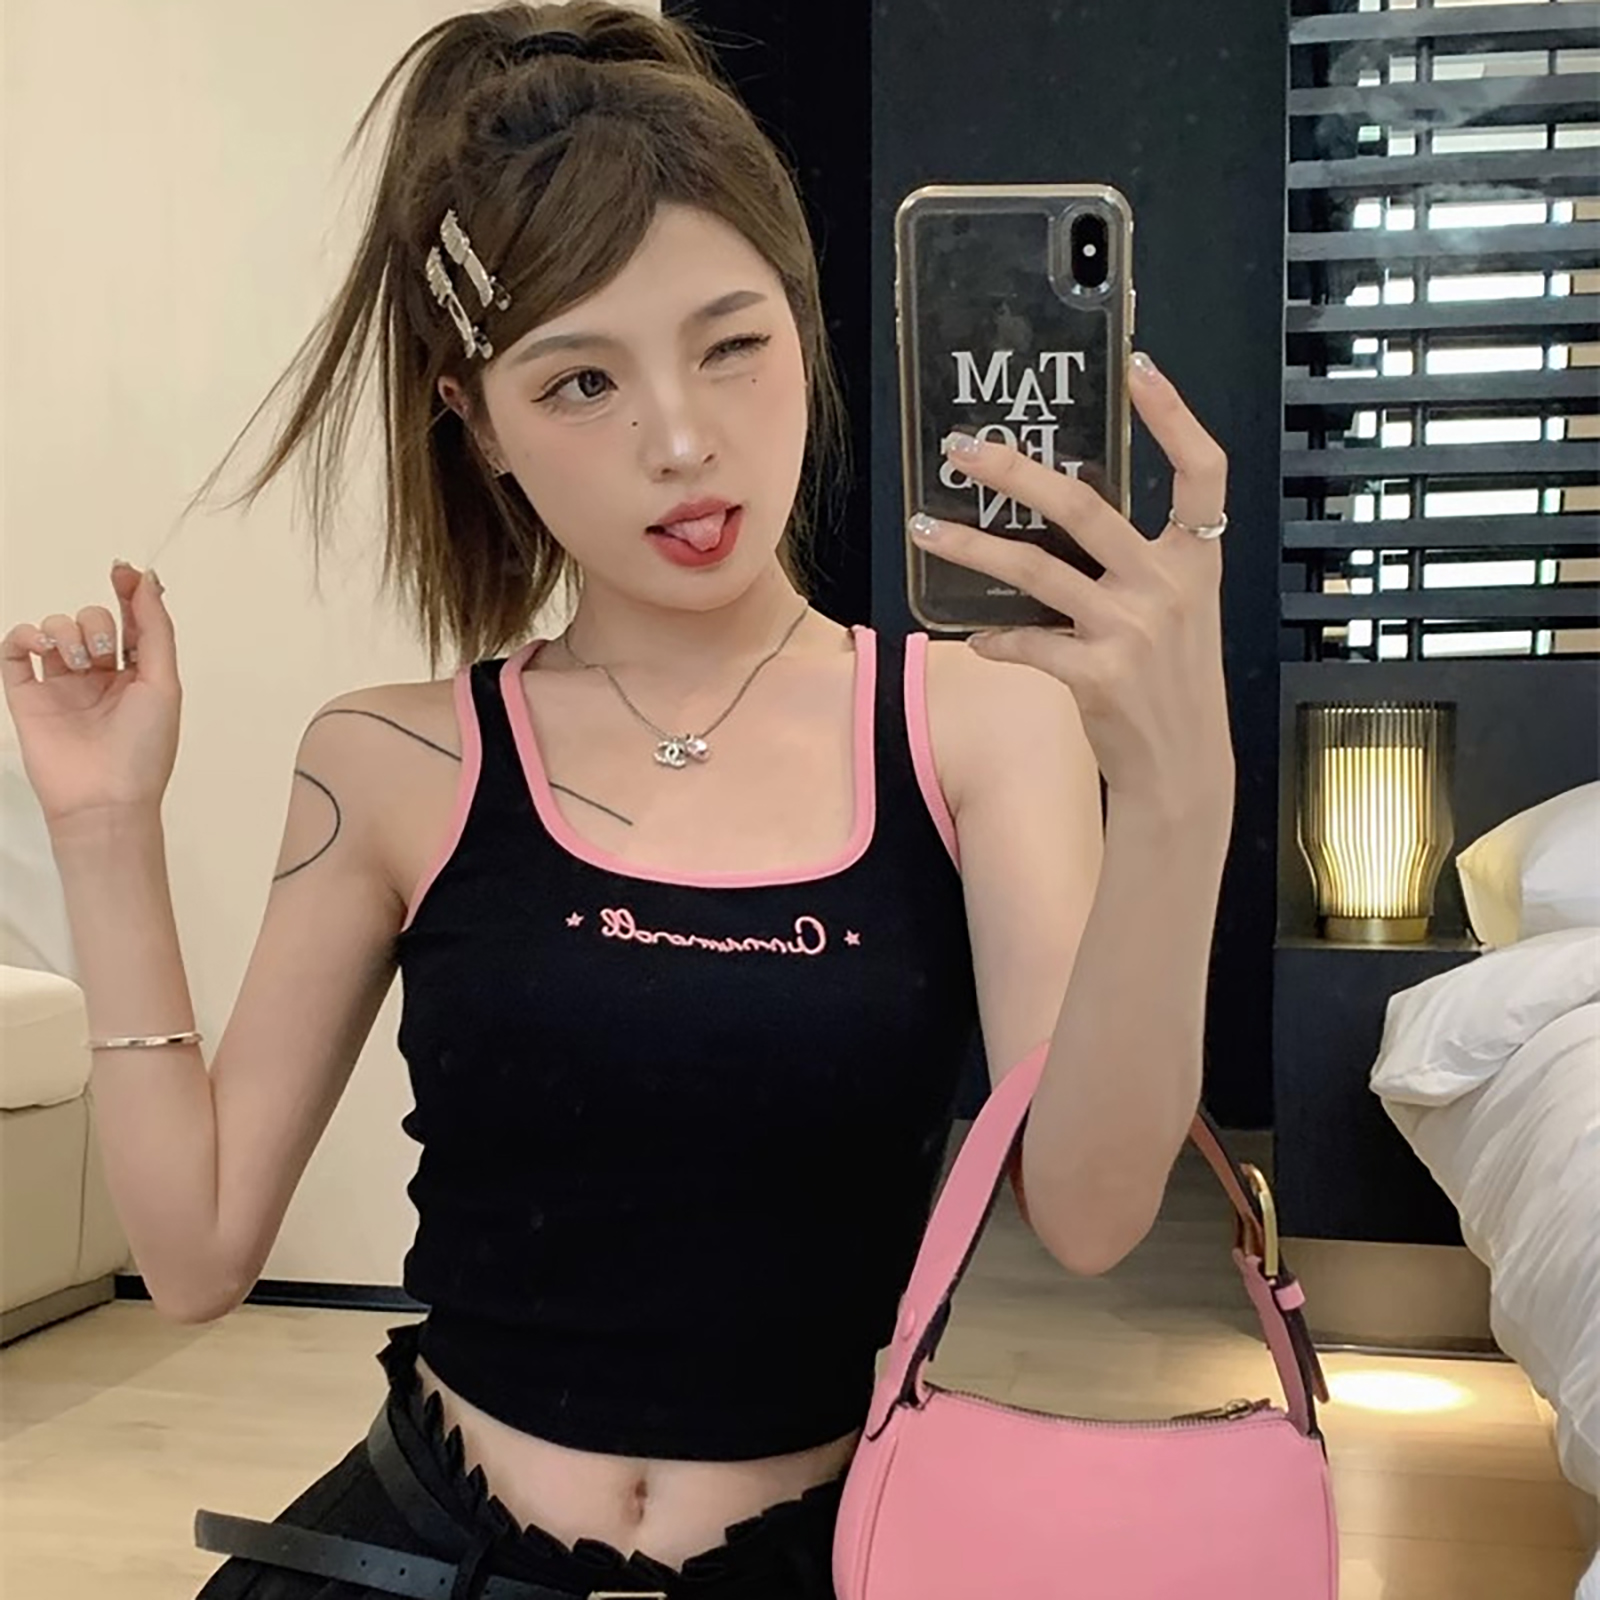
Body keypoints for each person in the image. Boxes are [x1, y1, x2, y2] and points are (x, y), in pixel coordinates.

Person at [0, 3, 1237, 1596]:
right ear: (478, 423)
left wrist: (1182, 790)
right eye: (580, 381)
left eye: (732, 344)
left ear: (807, 325)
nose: (681, 440)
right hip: (424, 1552)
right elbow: (191, 1255)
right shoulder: (395, 759)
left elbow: (1089, 1211)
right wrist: (104, 830)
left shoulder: (977, 727)